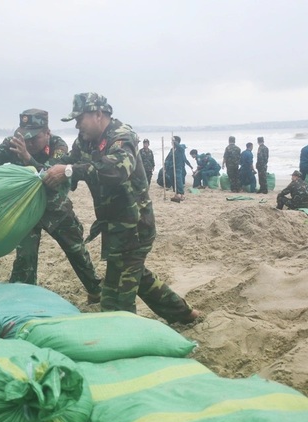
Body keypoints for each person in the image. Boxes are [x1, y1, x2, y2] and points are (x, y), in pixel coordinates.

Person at [43, 92, 200, 325]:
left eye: (79, 118)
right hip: (113, 225)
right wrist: (39, 169)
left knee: (116, 296)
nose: (76, 125)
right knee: (138, 277)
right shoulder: (84, 141)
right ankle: (185, 315)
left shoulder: (121, 136)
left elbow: (117, 170)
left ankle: (124, 335)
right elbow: (66, 162)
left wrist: (68, 171)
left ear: (98, 114)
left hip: (135, 226)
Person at [0, 109, 102, 303]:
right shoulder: (15, 144)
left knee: (75, 250)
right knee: (25, 258)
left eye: (34, 138)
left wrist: (28, 158)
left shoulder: (58, 146)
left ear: (47, 132)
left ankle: (95, 290)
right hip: (25, 209)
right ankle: (23, 297)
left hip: (55, 208)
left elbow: (51, 173)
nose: (28, 142)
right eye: (25, 137)